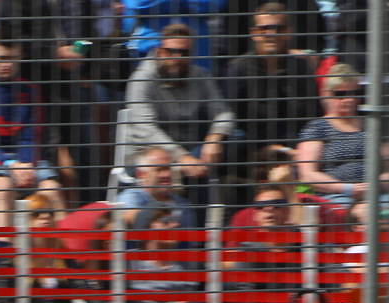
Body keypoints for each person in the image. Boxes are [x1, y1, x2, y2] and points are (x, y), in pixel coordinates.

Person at [124, 22, 234, 203]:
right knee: (200, 169)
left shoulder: (200, 75)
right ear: (160, 52)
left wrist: (214, 138)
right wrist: (181, 158)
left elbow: (223, 112)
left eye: (184, 53)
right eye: (171, 52)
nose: (177, 57)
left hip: (192, 152)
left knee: (233, 138)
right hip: (147, 153)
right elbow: (146, 130)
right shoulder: (142, 79)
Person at [0, 38, 64, 230]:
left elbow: (32, 135)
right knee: (2, 188)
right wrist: (11, 164)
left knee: (52, 189)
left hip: (27, 160)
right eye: (1, 58)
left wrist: (25, 165)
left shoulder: (31, 90)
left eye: (13, 58)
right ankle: (5, 256)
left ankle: (63, 255)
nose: (7, 64)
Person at [221, 3, 320, 183]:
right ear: (254, 32)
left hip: (297, 153)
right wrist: (263, 150)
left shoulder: (301, 67)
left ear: (289, 31)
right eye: (264, 28)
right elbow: (233, 121)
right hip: (250, 153)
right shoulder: (238, 69)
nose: (271, 34)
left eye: (277, 28)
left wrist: (300, 151)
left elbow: (313, 117)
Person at [295, 63, 389, 208]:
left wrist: (374, 185)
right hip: (336, 196)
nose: (349, 99)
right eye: (341, 95)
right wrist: (348, 189)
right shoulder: (317, 128)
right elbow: (308, 175)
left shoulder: (373, 125)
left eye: (354, 93)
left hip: (377, 194)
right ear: (327, 94)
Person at [115, 145, 195, 229]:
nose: (167, 174)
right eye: (159, 170)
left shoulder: (182, 204)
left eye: (168, 168)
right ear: (141, 174)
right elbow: (128, 217)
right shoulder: (130, 197)